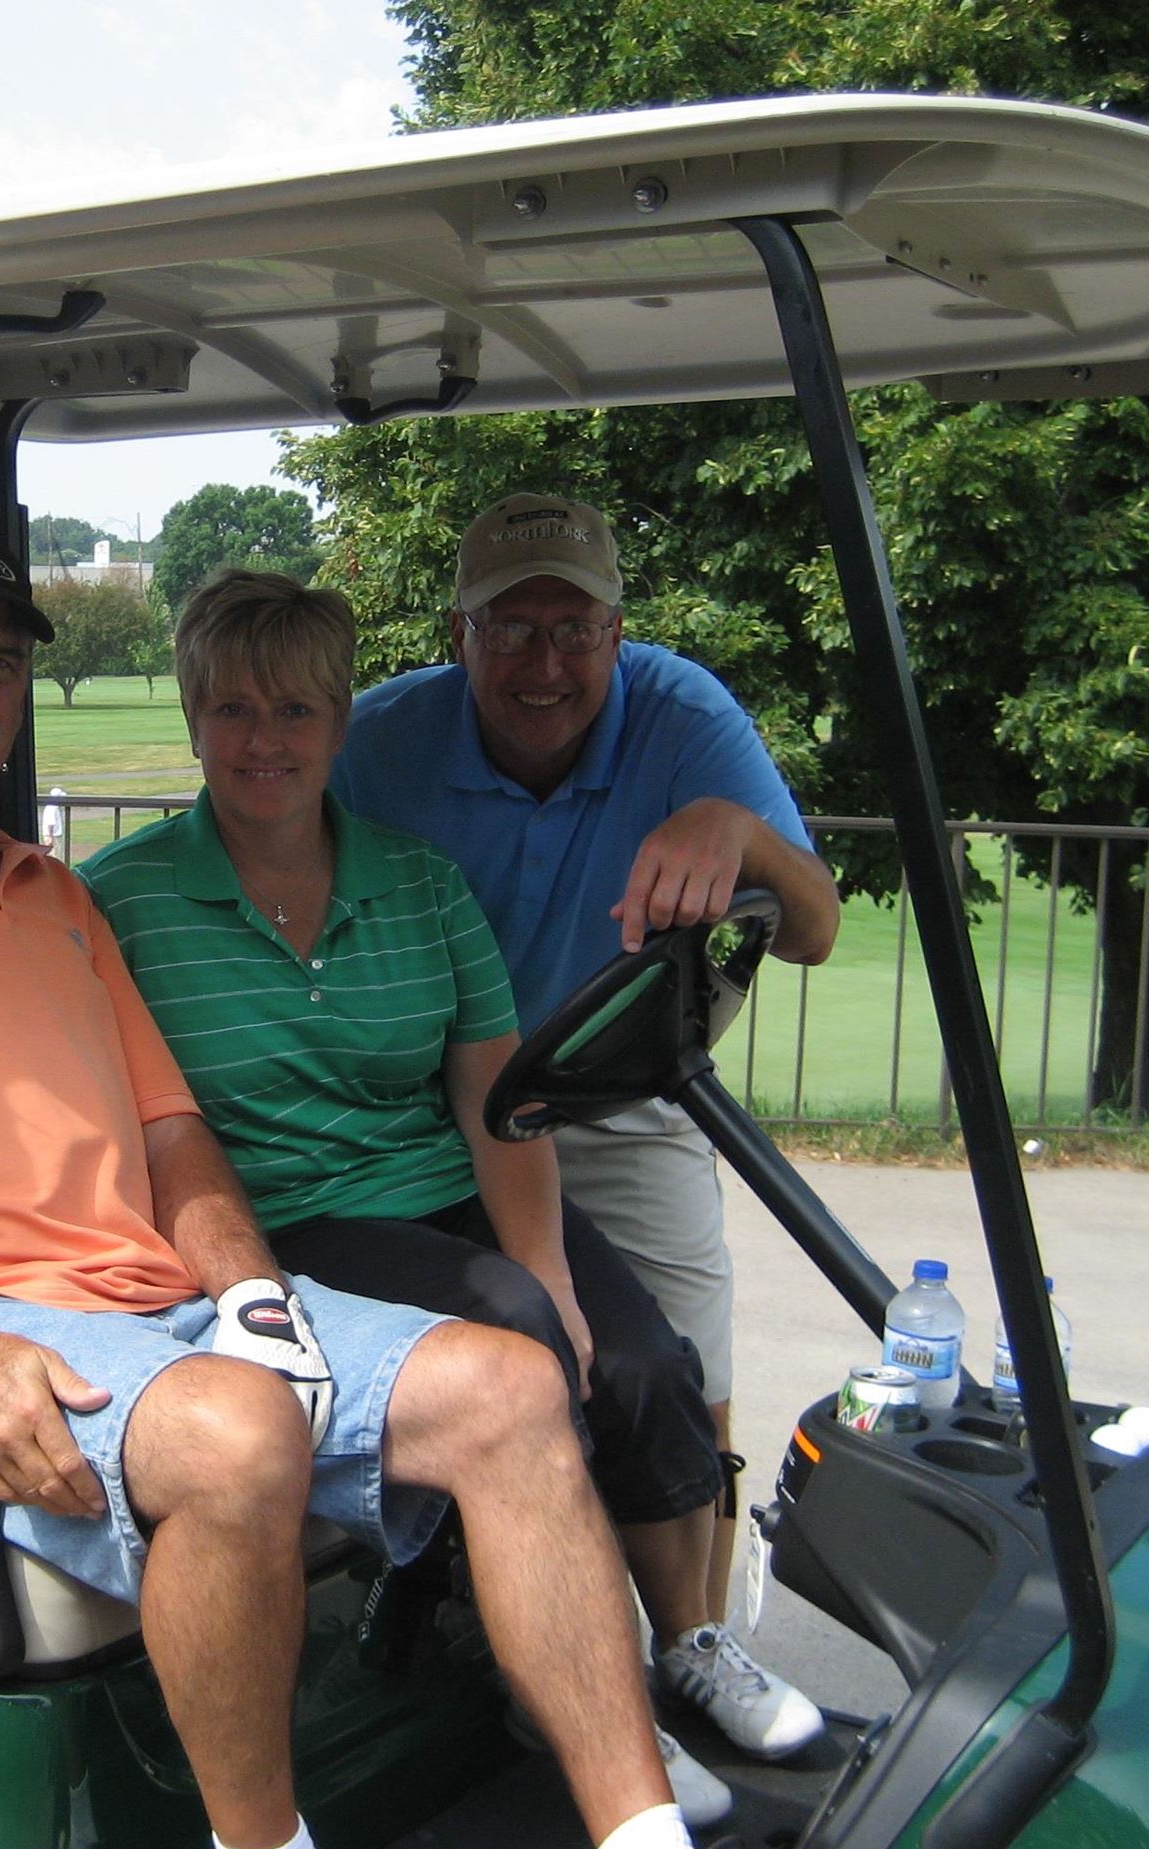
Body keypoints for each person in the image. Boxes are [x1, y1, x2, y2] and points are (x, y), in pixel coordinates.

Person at [0, 525, 813, 1849]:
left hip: (147, 1311)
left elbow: (175, 1138)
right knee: (239, 1433)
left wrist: (250, 1297)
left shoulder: (48, 891)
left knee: (509, 1385)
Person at [79, 569, 819, 1823]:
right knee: (519, 1346)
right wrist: (527, 1309)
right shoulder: (122, 901)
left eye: (295, 711)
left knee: (639, 1359)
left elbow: (492, 1103)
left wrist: (551, 1276)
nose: (264, 741)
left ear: (339, 725)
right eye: (233, 710)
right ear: (195, 717)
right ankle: (573, 1689)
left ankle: (687, 1643)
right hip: (286, 1225)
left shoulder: (418, 883)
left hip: (435, 1190)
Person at [331, 492, 843, 1753]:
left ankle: (688, 1645)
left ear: (617, 632)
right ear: (459, 635)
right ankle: (546, 1648)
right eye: (509, 630)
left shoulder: (681, 717)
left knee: (674, 1372)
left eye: (572, 630)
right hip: (419, 1106)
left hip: (612, 1094)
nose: (543, 663)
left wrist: (738, 835)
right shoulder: (381, 742)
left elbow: (815, 928)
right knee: (505, 1373)